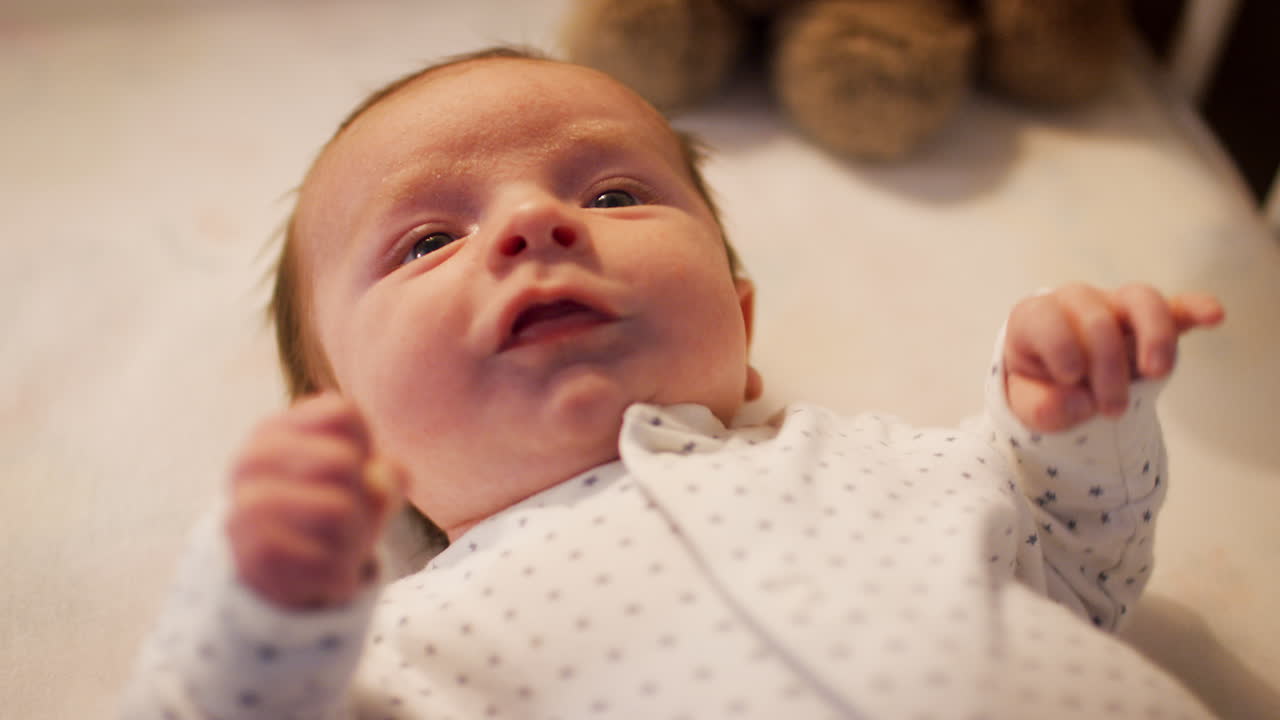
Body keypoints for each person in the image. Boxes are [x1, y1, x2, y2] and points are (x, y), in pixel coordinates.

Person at [121, 47, 1226, 719]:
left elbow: (1083, 576)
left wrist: (1072, 425)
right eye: (423, 243)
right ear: (347, 426)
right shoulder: (400, 648)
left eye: (610, 194)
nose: (532, 223)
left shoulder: (892, 464)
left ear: (740, 324)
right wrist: (261, 611)